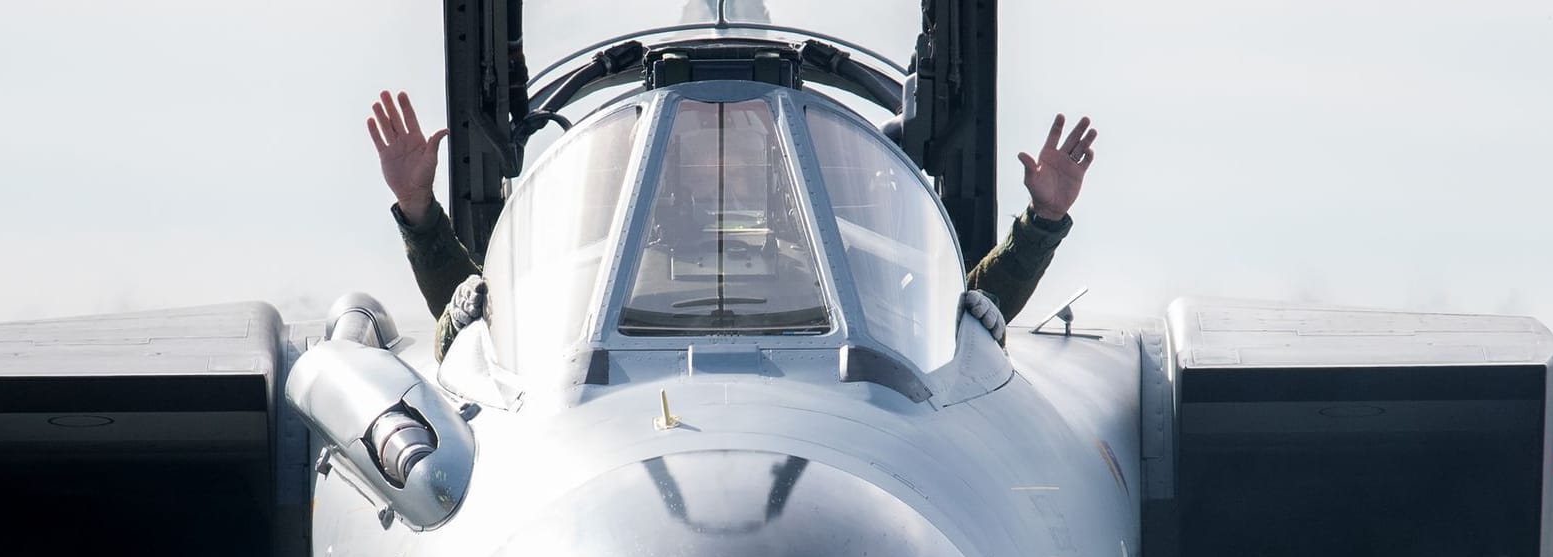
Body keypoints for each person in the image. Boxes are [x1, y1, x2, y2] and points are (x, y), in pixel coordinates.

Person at [367, 90, 1098, 357]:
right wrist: (420, 211)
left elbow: (959, 320)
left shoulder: (846, 268)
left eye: (750, 137)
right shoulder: (590, 275)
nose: (724, 153)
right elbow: (491, 334)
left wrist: (1042, 221)